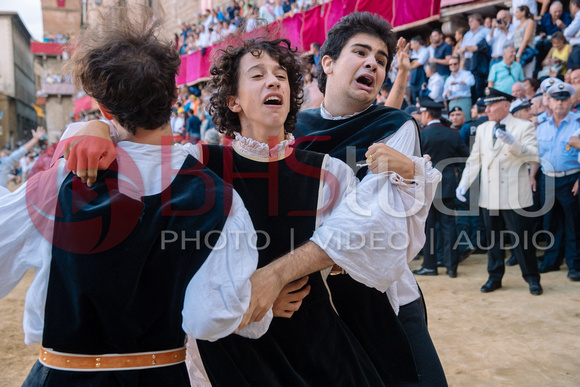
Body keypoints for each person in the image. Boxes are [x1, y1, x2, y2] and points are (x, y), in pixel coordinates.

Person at [62, 32, 439, 386]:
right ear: (233, 100)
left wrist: (409, 175)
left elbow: (376, 242)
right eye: (257, 75)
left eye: (281, 76)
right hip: (231, 351)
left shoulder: (327, 172)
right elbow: (136, 143)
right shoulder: (197, 162)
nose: (273, 82)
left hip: (316, 346)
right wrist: (95, 127)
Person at [0, 6, 270, 385]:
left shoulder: (60, 181)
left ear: (105, 108)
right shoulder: (219, 197)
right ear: (173, 95)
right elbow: (209, 320)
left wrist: (90, 128)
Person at [294, 12, 447, 385]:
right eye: (360, 52)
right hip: (311, 301)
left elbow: (370, 220)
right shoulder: (293, 129)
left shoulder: (395, 127)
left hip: (384, 297)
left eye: (381, 60)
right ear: (327, 62)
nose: (372, 64)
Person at [457, 87, 542, 295]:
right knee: (493, 242)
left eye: (491, 105)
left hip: (515, 195)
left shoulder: (523, 126)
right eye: (486, 106)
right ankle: (494, 277)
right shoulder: (484, 128)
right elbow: (474, 159)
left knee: (522, 241)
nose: (487, 109)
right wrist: (464, 183)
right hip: (490, 195)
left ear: (506, 105)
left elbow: (533, 157)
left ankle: (532, 278)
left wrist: (514, 144)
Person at [413, 97, 469, 278]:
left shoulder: (421, 134)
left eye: (422, 113)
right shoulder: (452, 133)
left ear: (427, 114)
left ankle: (430, 266)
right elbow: (465, 156)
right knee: (449, 227)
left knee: (429, 228)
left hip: (427, 186)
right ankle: (451, 267)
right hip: (448, 185)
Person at [531, 82, 580, 280]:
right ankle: (551, 261)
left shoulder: (578, 123)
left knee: (573, 224)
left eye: (564, 99)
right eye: (556, 99)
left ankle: (574, 265)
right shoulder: (541, 127)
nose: (560, 103)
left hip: (571, 179)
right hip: (548, 180)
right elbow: (537, 155)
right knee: (550, 223)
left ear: (570, 101)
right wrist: (532, 175)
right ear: (549, 102)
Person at [444, 56, 475, 121]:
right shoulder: (448, 79)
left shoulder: (466, 74)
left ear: (459, 64)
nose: (453, 66)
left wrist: (458, 82)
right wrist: (447, 94)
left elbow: (472, 82)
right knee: (452, 123)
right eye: (451, 64)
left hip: (463, 100)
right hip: (452, 101)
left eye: (455, 64)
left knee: (465, 121)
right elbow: (444, 95)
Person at [514, 5, 537, 78]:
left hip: (526, 51)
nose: (515, 14)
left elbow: (526, 39)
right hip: (518, 51)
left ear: (523, 12)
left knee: (527, 75)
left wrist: (519, 54)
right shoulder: (518, 26)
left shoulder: (529, 22)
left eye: (517, 12)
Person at [409, 36, 430, 104]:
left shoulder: (425, 50)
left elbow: (418, 63)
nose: (411, 47)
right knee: (415, 98)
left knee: (422, 96)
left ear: (417, 43)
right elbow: (410, 62)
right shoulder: (415, 52)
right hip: (414, 78)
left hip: (422, 77)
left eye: (412, 45)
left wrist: (413, 63)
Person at [564, 0, 580, 70]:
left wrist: (569, 38)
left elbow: (567, 33)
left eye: (571, 6)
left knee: (575, 73)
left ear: (575, 5)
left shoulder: (579, 15)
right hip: (575, 48)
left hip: (577, 48)